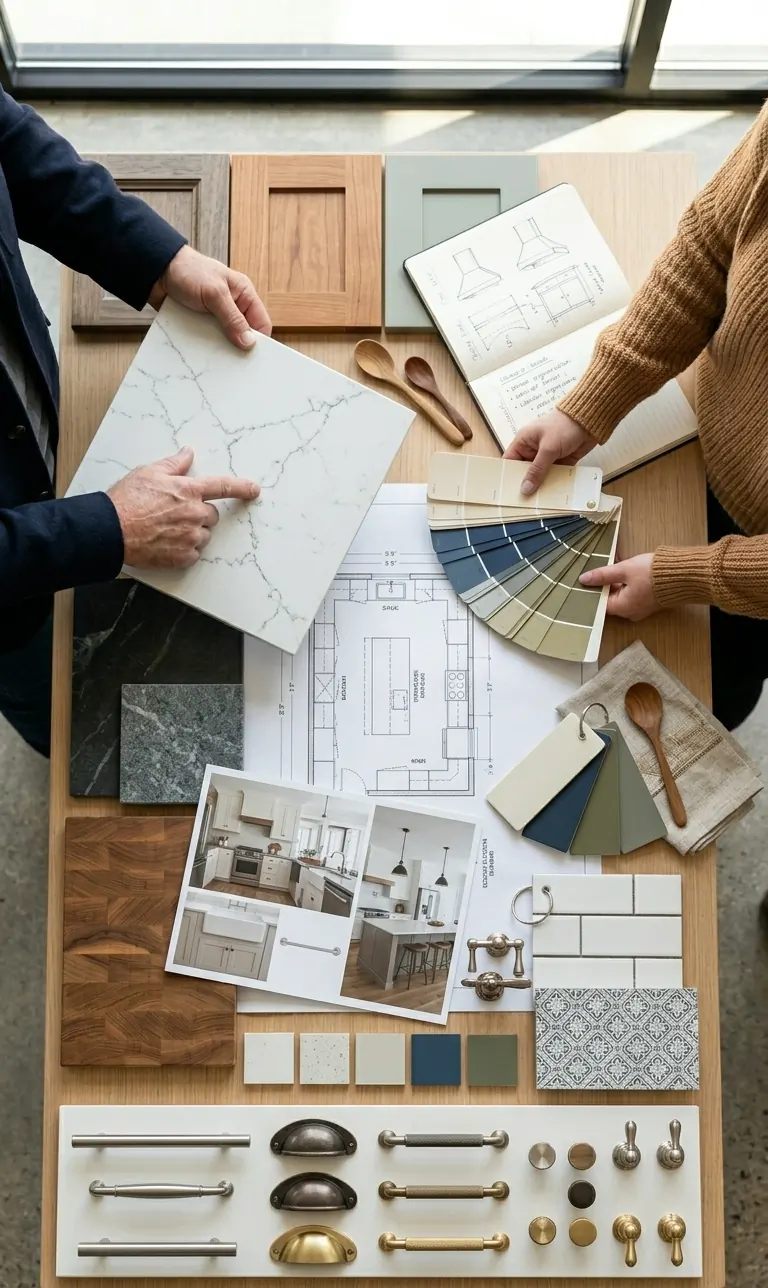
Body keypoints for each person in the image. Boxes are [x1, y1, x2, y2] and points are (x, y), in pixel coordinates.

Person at [504, 103, 768, 919]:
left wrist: (691, 576)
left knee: (717, 694)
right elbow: (708, 248)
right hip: (704, 453)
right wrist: (592, 403)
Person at [0, 90, 271, 758]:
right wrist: (106, 527)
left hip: (30, 438)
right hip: (10, 605)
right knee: (76, 727)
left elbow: (13, 144)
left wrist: (160, 259)